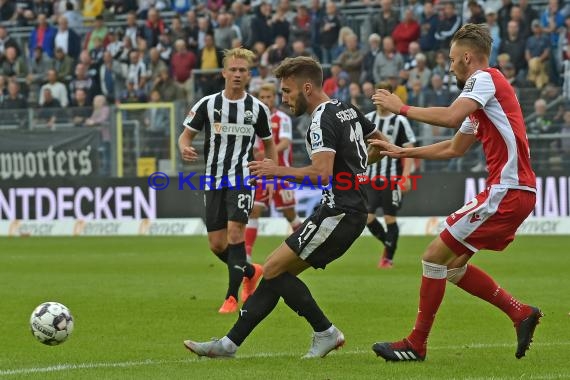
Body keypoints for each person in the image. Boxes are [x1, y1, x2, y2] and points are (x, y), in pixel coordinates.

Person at [183, 56, 387, 359]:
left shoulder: (321, 119)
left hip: (340, 213)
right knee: (275, 271)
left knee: (275, 269)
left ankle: (325, 332)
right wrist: (356, 169)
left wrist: (273, 169)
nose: (284, 99)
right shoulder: (346, 109)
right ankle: (228, 345)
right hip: (339, 209)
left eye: (287, 92)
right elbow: (381, 142)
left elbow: (320, 175)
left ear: (307, 87)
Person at [369, 23, 542, 362]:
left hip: (506, 190)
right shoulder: (483, 99)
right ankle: (520, 313)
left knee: (433, 257)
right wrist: (403, 152)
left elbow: (449, 117)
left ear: (467, 57)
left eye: (452, 60)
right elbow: (454, 148)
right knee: (452, 267)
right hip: (513, 191)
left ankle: (416, 344)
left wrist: (399, 107)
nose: (449, 67)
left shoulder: (485, 78)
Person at [178, 47, 277, 314]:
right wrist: (183, 147)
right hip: (213, 179)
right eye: (232, 69)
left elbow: (269, 145)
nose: (237, 74)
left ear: (249, 75)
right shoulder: (208, 104)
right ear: (223, 73)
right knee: (217, 244)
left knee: (236, 233)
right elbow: (185, 136)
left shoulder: (257, 109)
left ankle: (231, 297)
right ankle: (250, 271)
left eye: (242, 70)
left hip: (242, 178)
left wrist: (269, 169)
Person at [245, 82, 302, 263]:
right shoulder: (255, 120)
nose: (266, 100)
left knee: (289, 214)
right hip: (263, 173)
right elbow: (254, 147)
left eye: (269, 97)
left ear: (274, 98)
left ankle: (305, 247)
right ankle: (246, 255)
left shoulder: (282, 118)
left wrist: (270, 152)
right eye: (262, 97)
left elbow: (285, 143)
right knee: (254, 210)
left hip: (281, 173)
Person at [365, 81, 416, 269]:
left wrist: (406, 176)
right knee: (367, 217)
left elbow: (409, 149)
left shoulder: (400, 121)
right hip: (370, 178)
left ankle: (387, 258)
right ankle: (389, 243)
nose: (379, 99)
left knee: (389, 218)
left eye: (384, 94)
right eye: (377, 94)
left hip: (391, 179)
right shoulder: (367, 119)